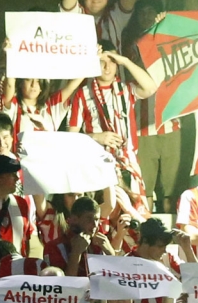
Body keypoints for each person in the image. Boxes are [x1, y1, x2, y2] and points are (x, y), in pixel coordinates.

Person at [68, 43, 158, 216]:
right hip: (96, 164)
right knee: (103, 216)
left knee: (133, 216)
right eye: (102, 61)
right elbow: (71, 137)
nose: (107, 66)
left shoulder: (125, 89)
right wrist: (95, 137)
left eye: (112, 61)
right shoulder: (82, 94)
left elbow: (150, 87)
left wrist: (124, 61)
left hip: (128, 164)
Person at [44, 195, 114, 277]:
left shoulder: (99, 244)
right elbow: (62, 285)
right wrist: (76, 253)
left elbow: (117, 280)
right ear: (74, 219)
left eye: (96, 219)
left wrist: (111, 253)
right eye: (89, 219)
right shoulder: (54, 247)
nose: (95, 225)